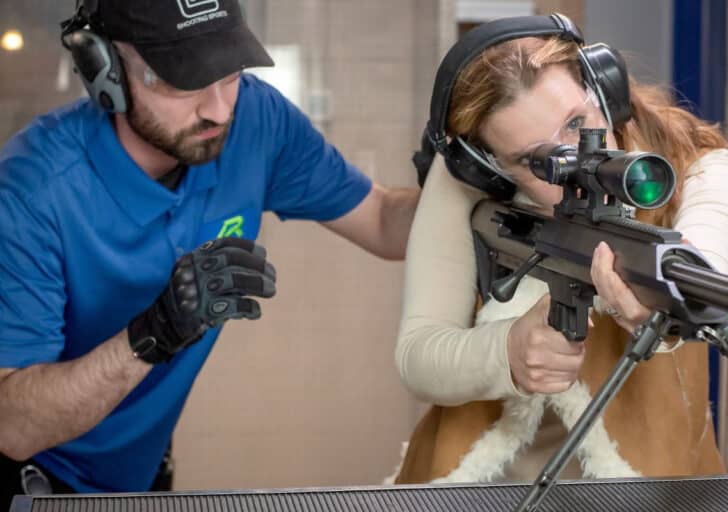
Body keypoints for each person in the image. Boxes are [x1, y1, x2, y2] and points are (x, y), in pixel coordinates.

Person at [0, 0, 419, 502]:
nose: (219, 109)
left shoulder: (257, 120)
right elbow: (13, 428)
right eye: (184, 81)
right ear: (103, 67)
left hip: (140, 472)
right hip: (32, 475)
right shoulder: (32, 191)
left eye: (230, 74)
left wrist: (458, 180)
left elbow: (381, 221)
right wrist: (154, 333)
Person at [391, 15, 728, 484]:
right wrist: (506, 352)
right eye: (534, 159)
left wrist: (664, 310)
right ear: (491, 170)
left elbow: (708, 270)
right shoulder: (464, 182)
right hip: (485, 483)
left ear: (604, 93)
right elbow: (418, 355)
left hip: (651, 478)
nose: (573, 157)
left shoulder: (699, 164)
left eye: (577, 124)